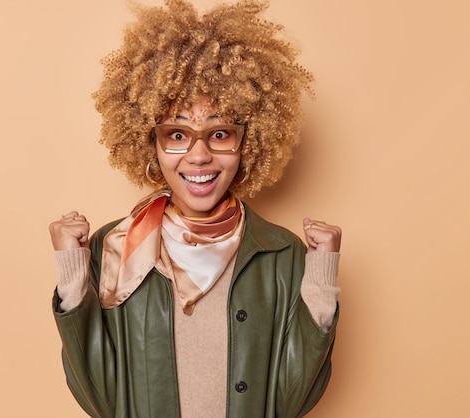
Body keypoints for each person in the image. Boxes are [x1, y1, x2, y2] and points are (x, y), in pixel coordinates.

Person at [48, 1, 342, 417]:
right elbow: (97, 397)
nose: (198, 155)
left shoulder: (284, 254)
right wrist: (73, 268)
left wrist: (321, 277)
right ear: (150, 143)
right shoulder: (115, 248)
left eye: (220, 133)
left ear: (249, 142)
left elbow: (295, 399)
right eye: (177, 133)